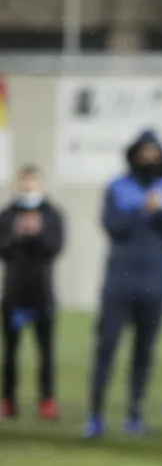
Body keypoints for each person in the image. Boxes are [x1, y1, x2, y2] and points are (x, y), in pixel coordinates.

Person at [86, 129, 162, 438]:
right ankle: (95, 416)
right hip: (118, 283)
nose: (149, 157)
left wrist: (160, 212)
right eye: (143, 152)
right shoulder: (118, 187)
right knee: (106, 348)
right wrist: (145, 208)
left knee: (144, 352)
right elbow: (112, 225)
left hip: (153, 285)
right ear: (133, 155)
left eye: (154, 152)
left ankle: (134, 414)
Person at [0, 164, 65, 420]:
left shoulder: (51, 214)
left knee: (45, 351)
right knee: (11, 351)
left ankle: (47, 400)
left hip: (42, 293)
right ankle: (8, 400)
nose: (29, 187)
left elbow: (55, 247)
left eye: (33, 182)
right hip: (14, 293)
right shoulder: (7, 215)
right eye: (25, 182)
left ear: (40, 184)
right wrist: (17, 235)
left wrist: (36, 234)